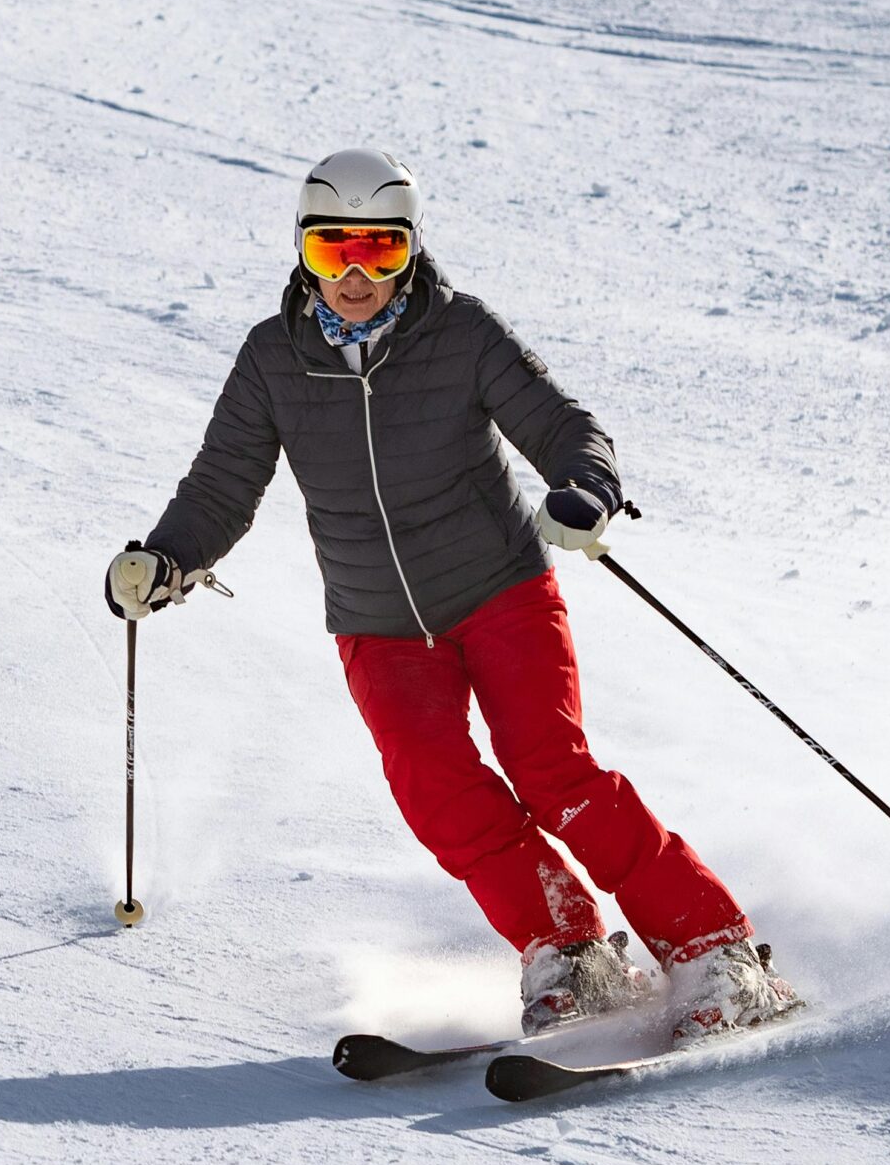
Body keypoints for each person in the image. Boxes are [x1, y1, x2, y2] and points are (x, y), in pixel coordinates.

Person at [105, 147, 797, 1046]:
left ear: (411, 248)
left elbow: (561, 424)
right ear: (303, 250)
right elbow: (222, 485)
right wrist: (165, 559)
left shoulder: (462, 333)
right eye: (332, 252)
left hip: (498, 589)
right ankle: (569, 950)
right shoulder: (273, 358)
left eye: (379, 252)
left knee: (553, 771)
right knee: (438, 794)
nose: (355, 276)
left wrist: (583, 487)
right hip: (377, 621)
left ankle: (716, 950)